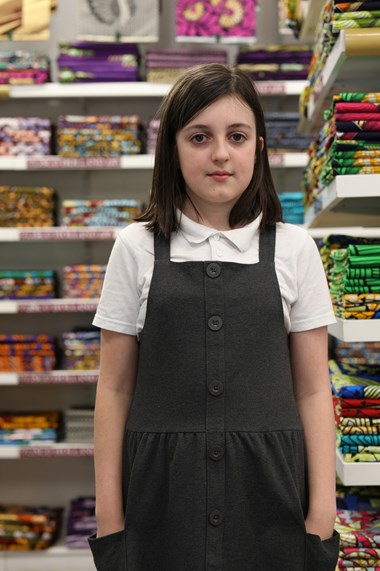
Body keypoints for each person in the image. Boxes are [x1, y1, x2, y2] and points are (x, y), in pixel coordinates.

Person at [88, 63, 340, 570]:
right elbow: (114, 388)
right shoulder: (135, 248)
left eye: (237, 136)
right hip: (160, 495)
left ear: (259, 148)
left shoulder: (294, 250)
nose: (220, 153)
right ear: (172, 150)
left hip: (272, 491)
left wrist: (323, 512)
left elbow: (313, 389)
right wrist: (109, 513)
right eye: (199, 136)